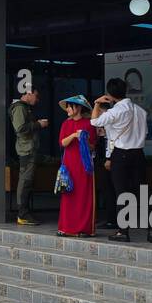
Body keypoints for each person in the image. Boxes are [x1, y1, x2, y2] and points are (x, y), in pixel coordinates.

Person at [92, 77, 152, 242]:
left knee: (122, 193)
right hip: (139, 154)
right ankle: (151, 230)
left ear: (110, 95)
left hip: (121, 154)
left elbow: (94, 121)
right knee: (143, 192)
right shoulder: (140, 111)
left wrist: (97, 103)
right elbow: (145, 133)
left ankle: (123, 231)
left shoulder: (115, 112)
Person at [56, 95, 97, 237]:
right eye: (67, 106)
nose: (67, 109)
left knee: (83, 195)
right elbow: (62, 143)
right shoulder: (66, 124)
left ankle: (84, 228)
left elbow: (93, 146)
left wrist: (84, 139)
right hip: (69, 164)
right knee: (68, 193)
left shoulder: (89, 124)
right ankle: (66, 227)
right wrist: (74, 135)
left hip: (84, 164)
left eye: (70, 106)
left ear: (78, 107)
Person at [9, 88, 49, 225]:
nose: (37, 100)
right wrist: (39, 124)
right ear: (28, 93)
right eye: (36, 96)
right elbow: (20, 129)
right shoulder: (19, 108)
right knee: (25, 181)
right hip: (26, 150)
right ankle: (23, 214)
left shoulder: (23, 108)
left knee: (27, 181)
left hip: (29, 149)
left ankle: (24, 213)